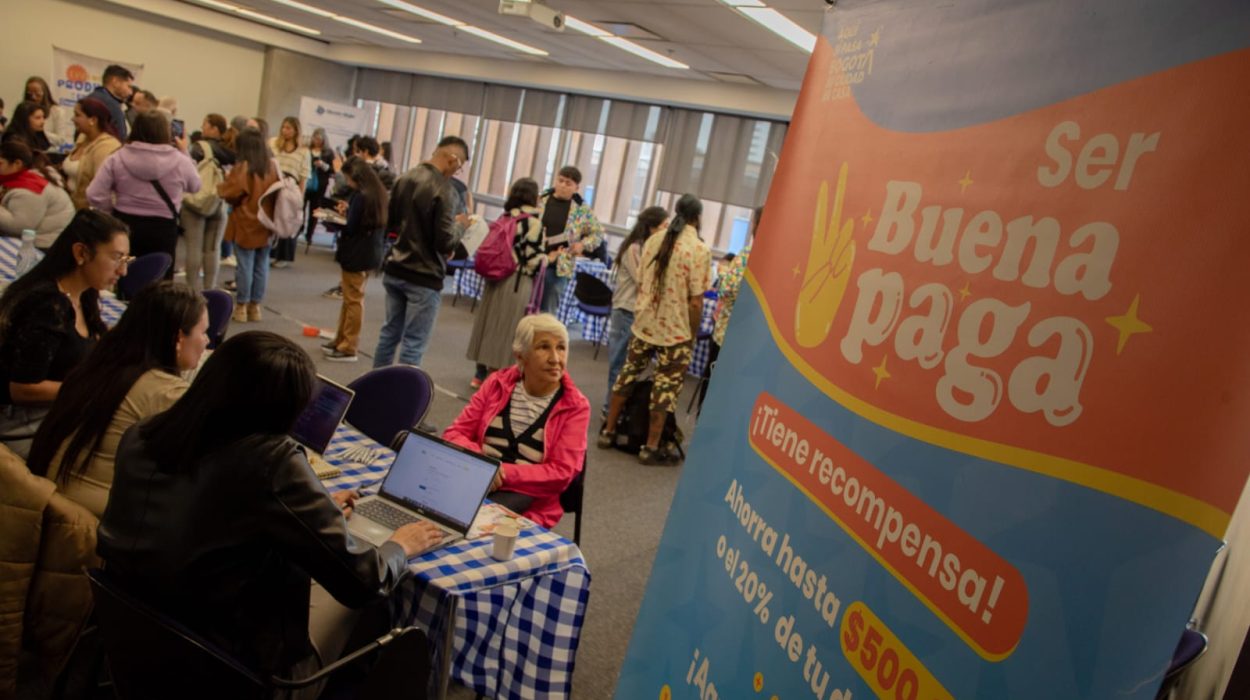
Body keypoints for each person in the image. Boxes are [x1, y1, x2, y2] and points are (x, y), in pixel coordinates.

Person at [96, 331, 445, 692]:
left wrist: (314, 512)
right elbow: (364, 581)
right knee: (378, 609)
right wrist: (399, 545)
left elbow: (212, 515)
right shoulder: (271, 461)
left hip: (141, 636)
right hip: (229, 662)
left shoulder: (142, 435)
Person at [27, 282, 207, 517]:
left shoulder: (100, 363)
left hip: (49, 502)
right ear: (178, 338)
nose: (206, 342)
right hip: (93, 525)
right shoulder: (165, 392)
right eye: (203, 332)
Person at [0, 210, 131, 457]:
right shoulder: (47, 305)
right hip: (23, 427)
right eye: (116, 258)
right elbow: (23, 388)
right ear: (81, 253)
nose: (123, 271)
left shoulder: (84, 294)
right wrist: (92, 387)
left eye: (127, 259)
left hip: (54, 414)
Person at [444, 314, 589, 528]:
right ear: (521, 356)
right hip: (473, 482)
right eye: (543, 347)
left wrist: (500, 472)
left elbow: (561, 473)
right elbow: (454, 434)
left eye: (561, 348)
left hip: (529, 505)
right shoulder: (497, 384)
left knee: (464, 529)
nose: (555, 358)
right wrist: (481, 465)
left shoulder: (575, 406)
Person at [599, 194, 711, 464]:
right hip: (676, 331)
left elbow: (643, 283)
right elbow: (696, 302)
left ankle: (609, 431)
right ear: (697, 217)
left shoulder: (653, 240)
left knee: (627, 375)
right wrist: (692, 334)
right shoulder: (699, 250)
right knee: (665, 387)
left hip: (644, 325)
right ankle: (650, 447)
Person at [372, 135, 469, 368]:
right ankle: (404, 401)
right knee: (413, 345)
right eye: (461, 166)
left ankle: (374, 388)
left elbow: (392, 223)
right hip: (424, 276)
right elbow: (445, 243)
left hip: (396, 267)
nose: (458, 172)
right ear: (452, 159)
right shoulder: (445, 190)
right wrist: (461, 226)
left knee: (388, 335)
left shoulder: (404, 178)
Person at [87, 111, 200, 278]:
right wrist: (184, 151)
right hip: (164, 229)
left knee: (125, 276)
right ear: (166, 132)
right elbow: (195, 186)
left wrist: (111, 212)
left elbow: (94, 193)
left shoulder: (117, 158)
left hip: (125, 225)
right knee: (159, 279)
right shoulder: (180, 161)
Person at [465, 177, 546, 387]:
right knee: (508, 329)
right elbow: (532, 259)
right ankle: (497, 379)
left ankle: (479, 375)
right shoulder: (534, 223)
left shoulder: (506, 217)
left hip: (495, 278)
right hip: (516, 282)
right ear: (534, 197)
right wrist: (549, 259)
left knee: (489, 324)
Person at [322, 159, 387, 363]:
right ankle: (340, 339)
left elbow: (351, 227)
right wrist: (348, 211)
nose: (347, 182)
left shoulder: (361, 195)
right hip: (369, 253)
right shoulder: (377, 194)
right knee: (351, 299)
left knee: (353, 300)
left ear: (356, 176)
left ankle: (349, 346)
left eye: (348, 178)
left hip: (356, 253)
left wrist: (333, 218)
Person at [604, 205, 668, 411]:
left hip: (637, 313)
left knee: (629, 366)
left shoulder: (651, 249)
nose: (667, 232)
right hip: (626, 311)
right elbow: (644, 280)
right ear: (651, 228)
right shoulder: (634, 249)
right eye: (663, 227)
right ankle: (609, 407)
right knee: (619, 364)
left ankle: (618, 408)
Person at [701, 206, 764, 412]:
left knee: (713, 388)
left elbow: (727, 289)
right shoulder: (780, 262)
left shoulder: (747, 255)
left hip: (728, 335)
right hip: (754, 343)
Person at [219, 127, 279, 322]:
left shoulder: (243, 167)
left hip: (245, 220)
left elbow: (230, 193)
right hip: (267, 221)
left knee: (244, 265)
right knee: (262, 265)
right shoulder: (272, 166)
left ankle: (242, 306)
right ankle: (256, 306)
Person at [538, 166, 605, 314]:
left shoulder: (581, 210)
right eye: (560, 181)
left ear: (576, 188)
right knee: (526, 304)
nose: (562, 185)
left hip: (559, 267)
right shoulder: (541, 200)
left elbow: (599, 234)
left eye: (568, 183)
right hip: (535, 259)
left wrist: (582, 245)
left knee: (547, 311)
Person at [183, 114, 234, 292]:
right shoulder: (230, 150)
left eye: (205, 124)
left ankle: (191, 289)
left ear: (214, 128)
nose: (202, 127)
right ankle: (210, 289)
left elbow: (186, 169)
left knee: (194, 248)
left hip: (196, 201)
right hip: (218, 203)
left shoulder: (198, 147)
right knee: (213, 249)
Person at [0, 141, 74, 249]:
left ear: (17, 164)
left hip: (45, 247)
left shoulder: (30, 189)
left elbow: (19, 227)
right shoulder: (19, 178)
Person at [65, 98, 122, 209]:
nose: (72, 119)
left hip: (87, 212)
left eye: (77, 115)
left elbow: (102, 189)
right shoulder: (82, 138)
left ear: (93, 120)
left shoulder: (107, 147)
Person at [269, 116, 310, 269]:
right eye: (283, 127)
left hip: (291, 186)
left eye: (288, 128)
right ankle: (269, 251)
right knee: (270, 218)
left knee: (287, 220)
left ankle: (284, 256)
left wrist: (300, 196)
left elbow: (304, 176)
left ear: (296, 131)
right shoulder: (273, 144)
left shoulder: (303, 152)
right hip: (273, 182)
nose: (285, 131)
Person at [22, 76, 74, 148]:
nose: (33, 97)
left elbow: (61, 139)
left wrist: (40, 132)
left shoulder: (57, 111)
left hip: (48, 152)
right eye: (29, 94)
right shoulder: (23, 110)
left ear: (45, 93)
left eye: (37, 94)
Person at [86, 64, 134, 141]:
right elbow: (120, 139)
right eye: (128, 86)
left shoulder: (88, 98)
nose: (130, 92)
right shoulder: (113, 106)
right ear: (115, 82)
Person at [303, 127, 334, 244]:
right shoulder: (307, 149)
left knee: (315, 210)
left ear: (323, 140)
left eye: (319, 139)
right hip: (306, 182)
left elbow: (331, 170)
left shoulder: (328, 153)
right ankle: (299, 228)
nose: (317, 141)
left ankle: (309, 234)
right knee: (301, 207)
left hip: (320, 185)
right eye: (315, 138)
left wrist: (322, 165)